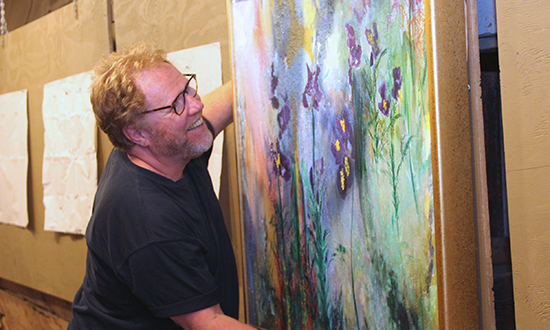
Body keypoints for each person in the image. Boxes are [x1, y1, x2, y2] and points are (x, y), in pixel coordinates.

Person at [68, 43, 256, 330]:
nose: (196, 104)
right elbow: (208, 322)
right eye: (176, 104)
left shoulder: (167, 148)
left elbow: (224, 103)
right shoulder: (149, 221)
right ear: (138, 134)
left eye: (188, 89)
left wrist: (263, 55)